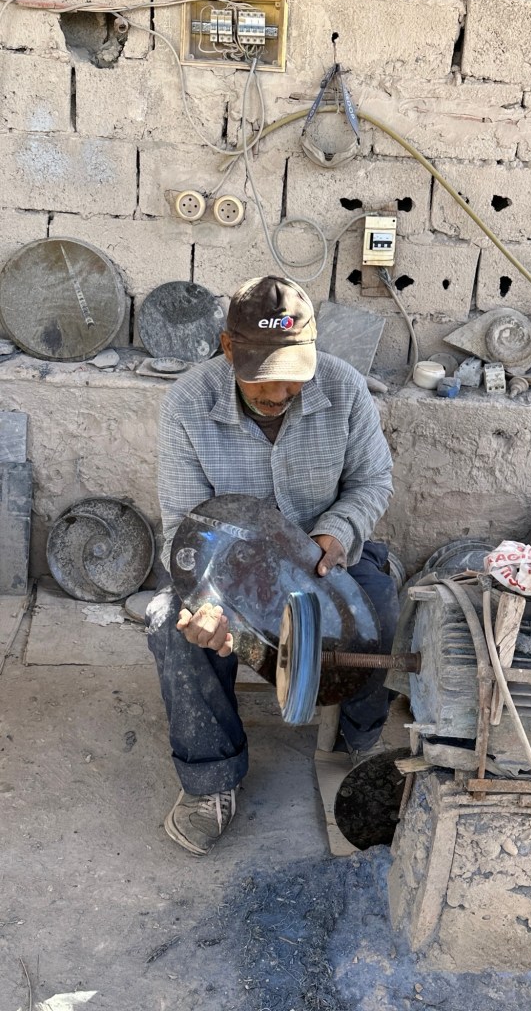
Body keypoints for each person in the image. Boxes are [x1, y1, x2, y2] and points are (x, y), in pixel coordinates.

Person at [146, 275, 398, 856]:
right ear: (228, 348)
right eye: (263, 377)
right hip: (229, 569)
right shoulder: (188, 402)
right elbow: (184, 525)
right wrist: (209, 603)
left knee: (381, 609)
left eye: (293, 376)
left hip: (323, 553)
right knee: (171, 627)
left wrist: (337, 532)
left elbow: (372, 481)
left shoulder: (344, 387)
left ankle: (357, 743)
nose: (280, 392)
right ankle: (211, 777)